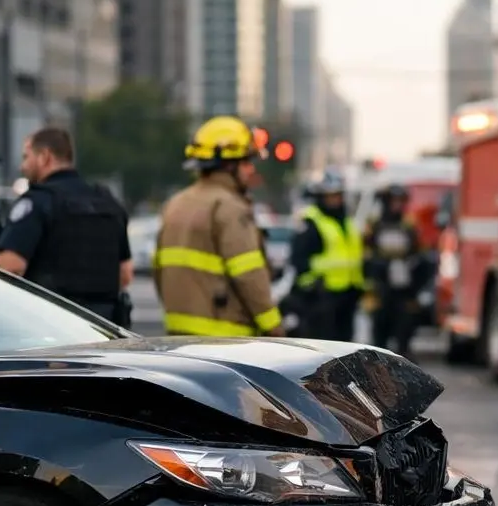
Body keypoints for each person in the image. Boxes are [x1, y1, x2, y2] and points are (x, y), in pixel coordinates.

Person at [152, 116, 284, 338]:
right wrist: (276, 330)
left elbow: (159, 272)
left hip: (179, 340)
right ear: (228, 165)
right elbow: (249, 276)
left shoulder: (175, 204)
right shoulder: (229, 208)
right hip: (228, 344)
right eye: (246, 162)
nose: (250, 169)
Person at [0, 127, 134, 326]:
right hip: (104, 330)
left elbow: (9, 266)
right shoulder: (106, 200)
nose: (23, 166)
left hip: (53, 328)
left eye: (27, 157)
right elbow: (125, 274)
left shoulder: (38, 201)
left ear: (44, 157)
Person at [286, 169, 363, 341]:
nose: (335, 199)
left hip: (348, 295)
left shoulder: (347, 222)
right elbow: (299, 261)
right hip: (320, 297)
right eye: (330, 195)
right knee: (323, 346)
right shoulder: (311, 222)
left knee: (346, 349)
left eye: (338, 195)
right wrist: (312, 287)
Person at [365, 183, 424, 357]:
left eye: (400, 201)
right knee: (379, 330)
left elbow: (418, 251)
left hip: (403, 286)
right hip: (381, 286)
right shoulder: (374, 224)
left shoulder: (408, 224)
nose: (397, 205)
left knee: (404, 327)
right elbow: (366, 252)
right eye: (393, 201)